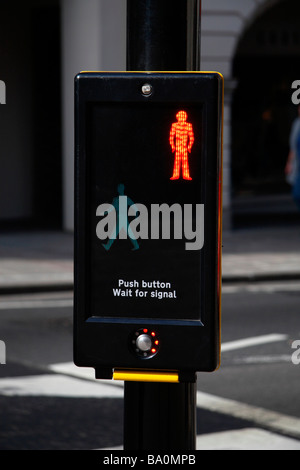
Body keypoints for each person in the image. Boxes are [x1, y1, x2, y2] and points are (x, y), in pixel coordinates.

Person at [169, 110, 194, 180]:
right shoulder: (174, 125)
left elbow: (191, 137)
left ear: (185, 117)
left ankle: (186, 175)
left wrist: (189, 146)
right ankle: (176, 175)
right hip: (177, 146)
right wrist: (172, 146)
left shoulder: (189, 125)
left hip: (184, 146)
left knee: (185, 162)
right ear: (177, 117)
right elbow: (171, 136)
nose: (181, 118)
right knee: (177, 161)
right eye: (180, 116)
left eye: (183, 116)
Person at [285, 105, 300, 211]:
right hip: (298, 165)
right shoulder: (296, 124)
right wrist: (289, 163)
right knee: (296, 194)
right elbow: (293, 147)